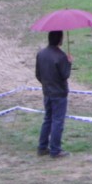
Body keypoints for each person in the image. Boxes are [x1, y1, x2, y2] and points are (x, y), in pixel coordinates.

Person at [35, 29, 71, 158]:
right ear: (59, 39)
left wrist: (46, 84)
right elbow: (65, 75)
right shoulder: (61, 56)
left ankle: (42, 147)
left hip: (47, 92)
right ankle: (55, 150)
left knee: (47, 119)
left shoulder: (41, 54)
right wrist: (69, 62)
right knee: (57, 121)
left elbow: (38, 74)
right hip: (59, 93)